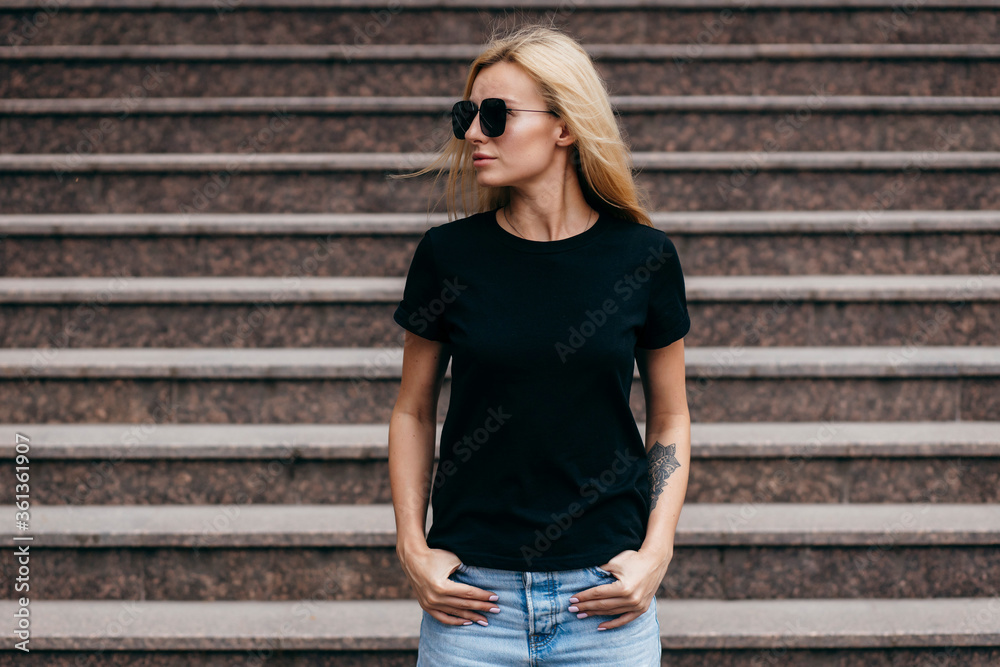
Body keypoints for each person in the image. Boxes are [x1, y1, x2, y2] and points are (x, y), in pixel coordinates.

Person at [387, 23, 691, 666]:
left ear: (565, 126)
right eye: (466, 114)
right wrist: (412, 548)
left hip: (604, 604)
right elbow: (413, 410)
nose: (473, 132)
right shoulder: (448, 256)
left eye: (495, 115)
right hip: (474, 605)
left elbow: (670, 415)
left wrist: (656, 551)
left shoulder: (644, 258)